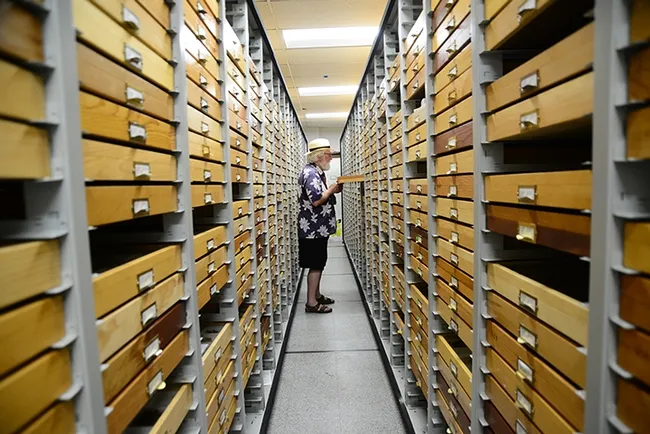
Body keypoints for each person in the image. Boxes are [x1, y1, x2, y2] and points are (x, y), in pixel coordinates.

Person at [298, 138, 343, 314]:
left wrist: (332, 191)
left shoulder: (315, 172)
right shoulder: (310, 174)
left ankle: (316, 295)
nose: (330, 158)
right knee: (316, 264)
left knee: (319, 263)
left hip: (317, 228)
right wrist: (331, 190)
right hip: (312, 229)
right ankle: (311, 303)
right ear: (318, 157)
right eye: (328, 155)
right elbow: (316, 200)